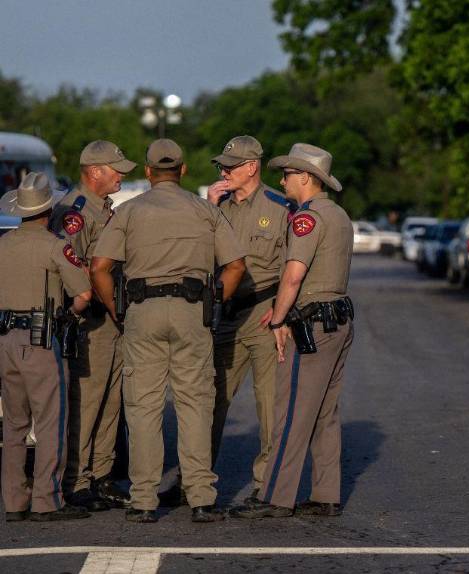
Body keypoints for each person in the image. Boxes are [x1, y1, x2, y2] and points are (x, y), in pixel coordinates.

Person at [90, 139, 246, 523]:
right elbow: (236, 266)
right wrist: (214, 301)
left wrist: (117, 310)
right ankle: (201, 498)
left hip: (141, 311)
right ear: (183, 170)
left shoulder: (129, 211)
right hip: (192, 311)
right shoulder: (205, 210)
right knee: (195, 404)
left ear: (147, 172)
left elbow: (99, 267)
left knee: (143, 406)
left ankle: (143, 500)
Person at [159, 136, 296, 508]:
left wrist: (284, 311)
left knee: (270, 405)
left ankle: (267, 485)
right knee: (207, 401)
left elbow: (296, 264)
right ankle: (193, 481)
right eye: (221, 166)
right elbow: (195, 255)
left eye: (230, 166)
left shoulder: (280, 207)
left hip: (265, 313)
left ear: (252, 167)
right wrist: (208, 208)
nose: (223, 172)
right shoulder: (214, 208)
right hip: (225, 316)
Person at [230, 143, 354, 519]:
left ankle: (274, 496)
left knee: (291, 413)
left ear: (305, 177)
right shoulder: (339, 214)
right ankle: (326, 494)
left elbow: (293, 275)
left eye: (287, 174)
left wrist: (278, 319)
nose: (282, 181)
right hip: (338, 318)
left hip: (311, 323)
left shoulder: (307, 218)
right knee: (324, 412)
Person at [0, 172, 93, 521]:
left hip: (5, 338)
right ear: (48, 209)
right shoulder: (55, 246)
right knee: (51, 421)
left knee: (14, 425)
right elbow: (83, 295)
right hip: (40, 337)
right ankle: (46, 499)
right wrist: (68, 315)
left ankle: (14, 501)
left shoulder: (3, 244)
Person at [49, 140, 136, 511]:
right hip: (91, 320)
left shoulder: (103, 208)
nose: (121, 176)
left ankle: (101, 475)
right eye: (116, 170)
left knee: (111, 401)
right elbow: (72, 267)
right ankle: (77, 479)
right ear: (95, 171)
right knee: (86, 402)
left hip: (112, 317)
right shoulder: (76, 211)